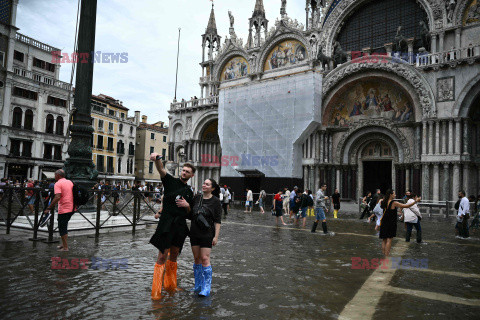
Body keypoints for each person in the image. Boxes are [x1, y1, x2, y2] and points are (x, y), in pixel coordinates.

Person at [149, 153, 195, 300]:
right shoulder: (170, 181)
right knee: (162, 255)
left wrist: (187, 206)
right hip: (166, 223)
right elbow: (161, 170)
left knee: (174, 255)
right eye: (183, 170)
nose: (184, 172)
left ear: (191, 175)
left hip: (180, 226)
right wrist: (157, 159)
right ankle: (156, 291)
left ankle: (170, 286)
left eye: (188, 171)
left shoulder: (189, 192)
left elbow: (190, 214)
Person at [188, 178, 222, 297]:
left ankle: (206, 287)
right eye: (203, 183)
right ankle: (198, 285)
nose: (204, 185)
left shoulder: (216, 201)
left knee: (204, 258)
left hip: (207, 233)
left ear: (212, 188)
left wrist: (216, 237)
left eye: (207, 184)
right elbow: (190, 213)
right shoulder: (197, 198)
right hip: (194, 231)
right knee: (197, 258)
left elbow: (218, 221)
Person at [380, 189, 420, 256]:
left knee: (384, 239)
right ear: (391, 195)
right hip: (391, 223)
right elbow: (406, 206)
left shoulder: (383, 201)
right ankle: (387, 256)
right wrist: (416, 201)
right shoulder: (393, 202)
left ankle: (384, 254)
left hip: (384, 221)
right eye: (394, 194)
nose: (395, 195)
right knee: (389, 240)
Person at [43, 170, 75, 252]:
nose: (54, 176)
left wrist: (49, 207)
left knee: (62, 228)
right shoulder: (69, 182)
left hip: (64, 208)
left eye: (55, 175)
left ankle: (65, 248)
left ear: (58, 175)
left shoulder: (58, 184)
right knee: (64, 226)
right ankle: (63, 244)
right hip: (72, 208)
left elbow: (57, 197)